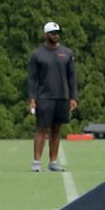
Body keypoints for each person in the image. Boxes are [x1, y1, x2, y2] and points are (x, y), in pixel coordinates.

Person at [27, 23, 78, 172]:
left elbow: (72, 77)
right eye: (53, 33)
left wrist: (73, 97)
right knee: (41, 129)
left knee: (56, 129)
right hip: (44, 97)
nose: (56, 35)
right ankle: (36, 161)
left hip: (62, 97)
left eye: (57, 33)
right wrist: (32, 98)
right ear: (46, 34)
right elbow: (32, 78)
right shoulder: (37, 54)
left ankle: (53, 161)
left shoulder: (67, 53)